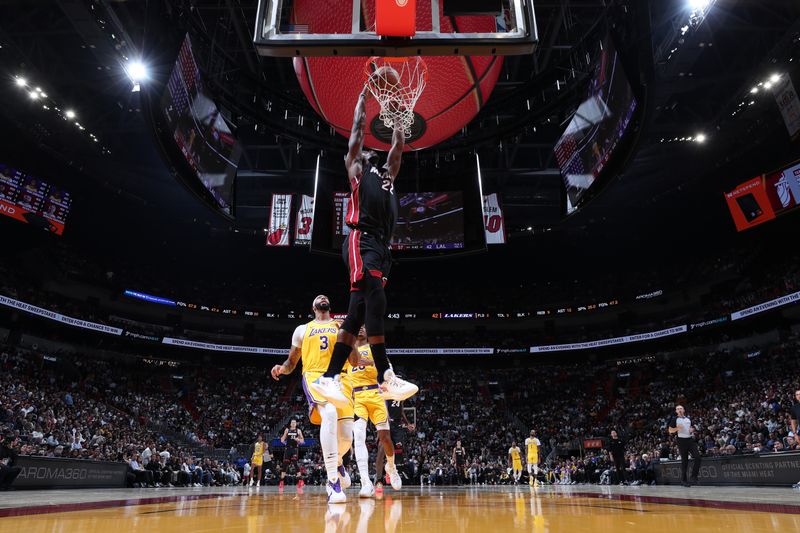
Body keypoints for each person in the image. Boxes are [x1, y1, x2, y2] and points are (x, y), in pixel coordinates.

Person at [308, 81, 417, 408]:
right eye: (367, 150)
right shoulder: (357, 171)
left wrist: (398, 116)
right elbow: (356, 131)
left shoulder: (388, 177)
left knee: (356, 314)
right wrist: (363, 97)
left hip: (382, 249)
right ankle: (386, 375)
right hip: (361, 239)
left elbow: (398, 147)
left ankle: (327, 378)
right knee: (376, 295)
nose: (371, 151)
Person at [271, 294, 357, 503]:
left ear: (329, 305)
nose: (323, 298)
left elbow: (354, 360)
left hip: (341, 379)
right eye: (319, 297)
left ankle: (337, 463)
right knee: (328, 412)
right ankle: (333, 482)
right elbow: (292, 362)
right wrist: (281, 369)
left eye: (326, 297)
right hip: (315, 377)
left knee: (346, 437)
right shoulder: (302, 329)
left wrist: (351, 336)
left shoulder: (341, 326)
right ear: (313, 307)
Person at [350, 327, 402, 498]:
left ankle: (391, 468)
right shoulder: (348, 350)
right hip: (357, 396)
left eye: (364, 327)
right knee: (358, 436)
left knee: (385, 438)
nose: (361, 329)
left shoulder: (375, 349)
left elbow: (388, 372)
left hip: (376, 395)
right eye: (358, 327)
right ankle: (365, 482)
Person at [668, 405, 701, 487]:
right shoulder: (674, 419)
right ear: (676, 411)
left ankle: (693, 477)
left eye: (681, 408)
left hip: (690, 439)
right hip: (681, 441)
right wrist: (676, 429)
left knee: (698, 457)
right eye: (677, 409)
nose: (679, 410)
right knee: (684, 461)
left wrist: (692, 429)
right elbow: (670, 430)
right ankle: (684, 481)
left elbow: (692, 428)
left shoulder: (688, 419)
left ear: (684, 410)